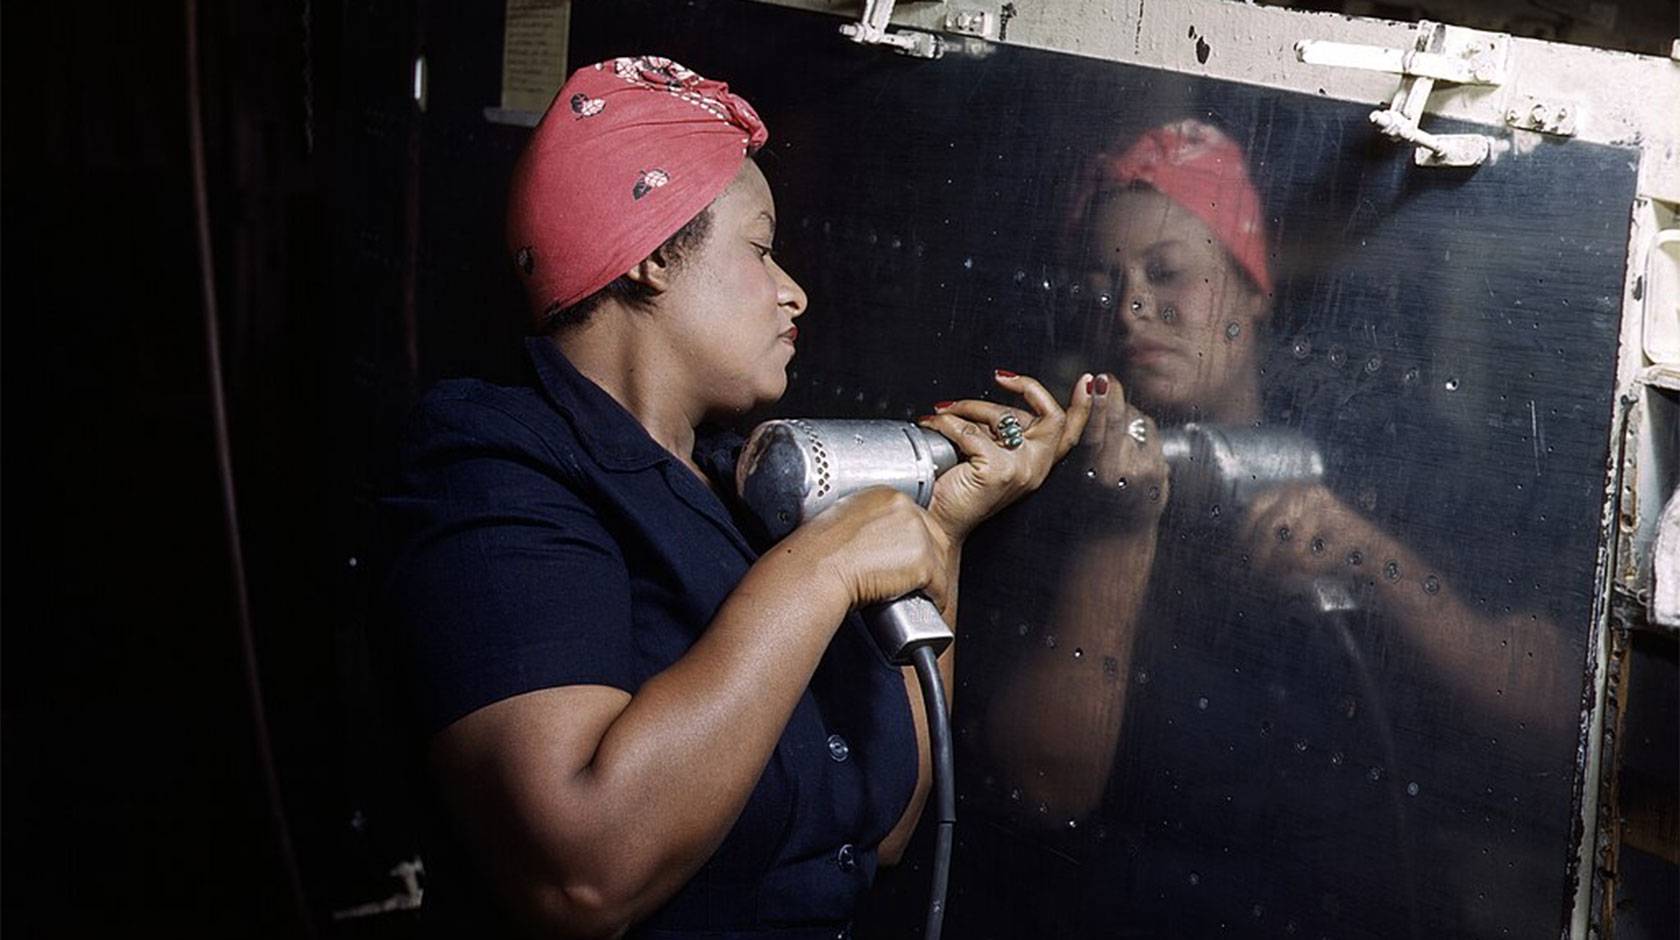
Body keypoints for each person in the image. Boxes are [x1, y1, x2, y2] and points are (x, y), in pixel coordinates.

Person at [382, 56, 1092, 939]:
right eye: (759, 249)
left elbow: (887, 830)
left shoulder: (737, 488)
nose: (793, 289)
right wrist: (825, 569)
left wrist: (939, 533)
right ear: (650, 255)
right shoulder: (494, 469)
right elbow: (580, 875)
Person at [976, 119, 1574, 936]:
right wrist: (1117, 536)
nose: (1132, 306)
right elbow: (1043, 787)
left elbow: (1557, 714)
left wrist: (1374, 561)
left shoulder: (1378, 449)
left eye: (1170, 273)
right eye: (1099, 282)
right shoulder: (1049, 487)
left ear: (1254, 290)